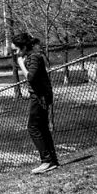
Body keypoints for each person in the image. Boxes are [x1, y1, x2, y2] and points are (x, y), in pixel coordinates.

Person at [12, 33, 59, 174]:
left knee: (33, 127)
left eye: (16, 50)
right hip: (40, 96)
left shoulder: (35, 57)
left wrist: (21, 65)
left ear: (24, 47)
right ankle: (52, 160)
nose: (15, 53)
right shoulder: (32, 57)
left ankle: (46, 161)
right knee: (42, 128)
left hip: (40, 97)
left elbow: (31, 77)